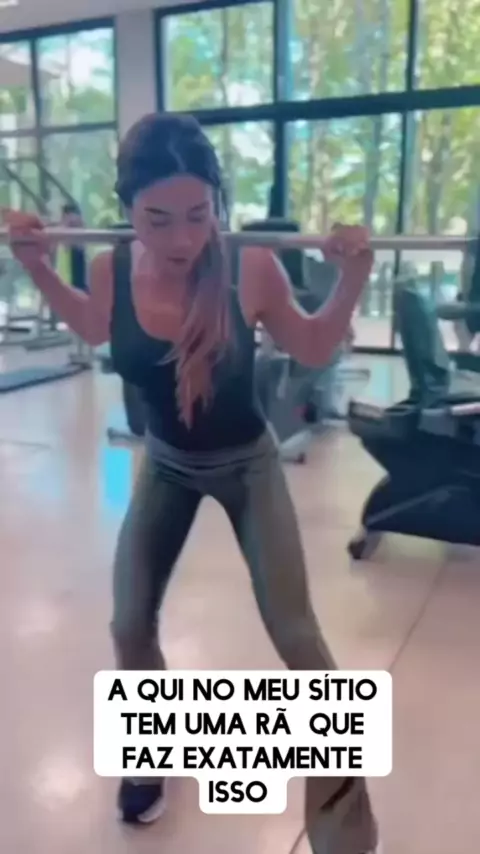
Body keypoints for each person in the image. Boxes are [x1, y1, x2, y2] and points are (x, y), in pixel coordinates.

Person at [6, 112, 379, 854]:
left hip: (248, 464)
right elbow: (93, 327)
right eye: (158, 219)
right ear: (127, 209)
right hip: (167, 463)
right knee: (128, 624)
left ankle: (346, 835)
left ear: (216, 201)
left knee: (297, 635)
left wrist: (353, 278)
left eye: (198, 214)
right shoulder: (112, 269)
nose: (182, 239)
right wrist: (39, 265)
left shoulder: (251, 268)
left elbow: (311, 345)